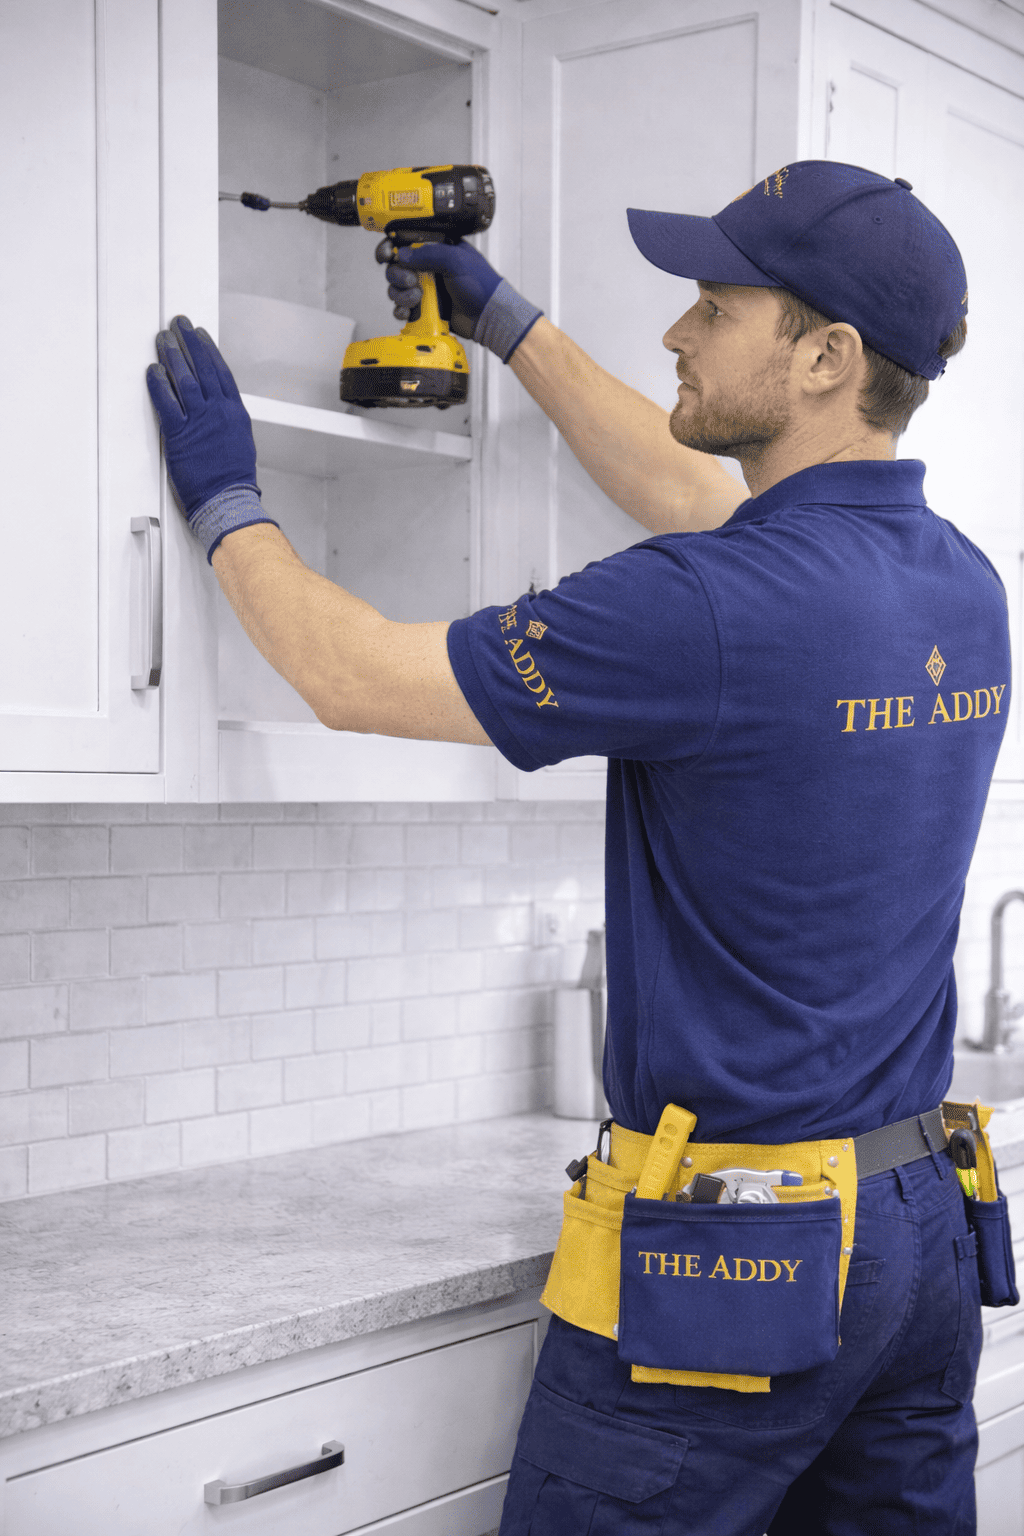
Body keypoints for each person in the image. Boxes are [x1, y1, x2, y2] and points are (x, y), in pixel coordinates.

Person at [148, 160, 1010, 1535]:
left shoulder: (708, 609)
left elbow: (352, 675)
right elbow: (696, 493)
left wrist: (223, 504)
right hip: (919, 1226)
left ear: (828, 358)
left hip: (745, 1242)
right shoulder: (957, 580)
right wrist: (506, 323)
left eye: (718, 308)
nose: (675, 331)